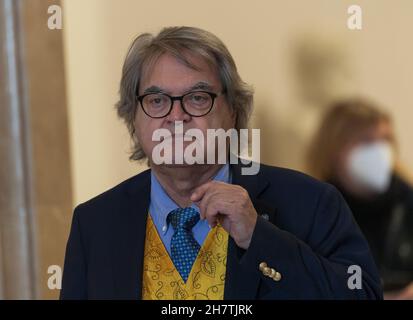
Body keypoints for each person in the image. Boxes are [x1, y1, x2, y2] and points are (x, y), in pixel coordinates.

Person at [60, 26, 381, 300]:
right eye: (156, 101)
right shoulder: (95, 224)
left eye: (197, 98)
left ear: (234, 113)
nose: (176, 116)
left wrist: (260, 238)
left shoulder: (312, 203)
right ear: (133, 117)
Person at [307, 98, 413, 299]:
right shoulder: (313, 214)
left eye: (386, 139)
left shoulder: (408, 203)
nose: (380, 151)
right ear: (334, 151)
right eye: (366, 141)